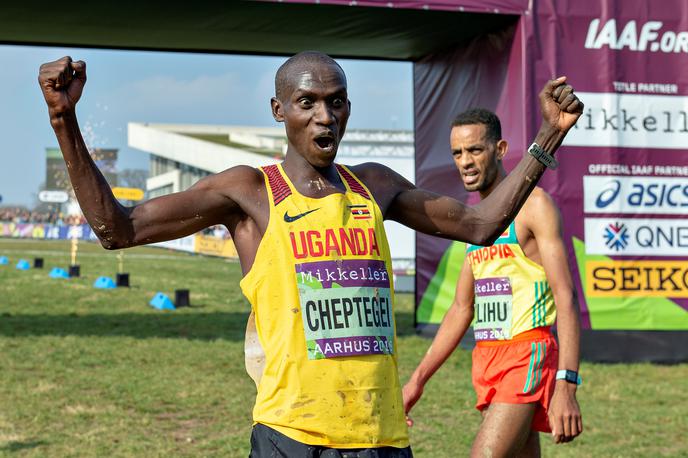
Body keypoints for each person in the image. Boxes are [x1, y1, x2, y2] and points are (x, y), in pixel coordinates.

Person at [38, 51, 582, 457]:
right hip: (291, 437)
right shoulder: (250, 192)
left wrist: (545, 139)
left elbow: (482, 224)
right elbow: (117, 229)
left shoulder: (373, 185)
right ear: (279, 110)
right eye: (307, 103)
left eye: (335, 102)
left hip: (380, 437)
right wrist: (64, 120)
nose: (324, 116)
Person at [402, 108, 583, 457]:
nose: (465, 161)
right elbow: (461, 308)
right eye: (457, 153)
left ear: (499, 149)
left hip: (525, 354)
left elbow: (566, 297)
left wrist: (567, 383)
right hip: (487, 360)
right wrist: (417, 380)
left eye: (475, 150)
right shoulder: (476, 221)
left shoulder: (534, 206)